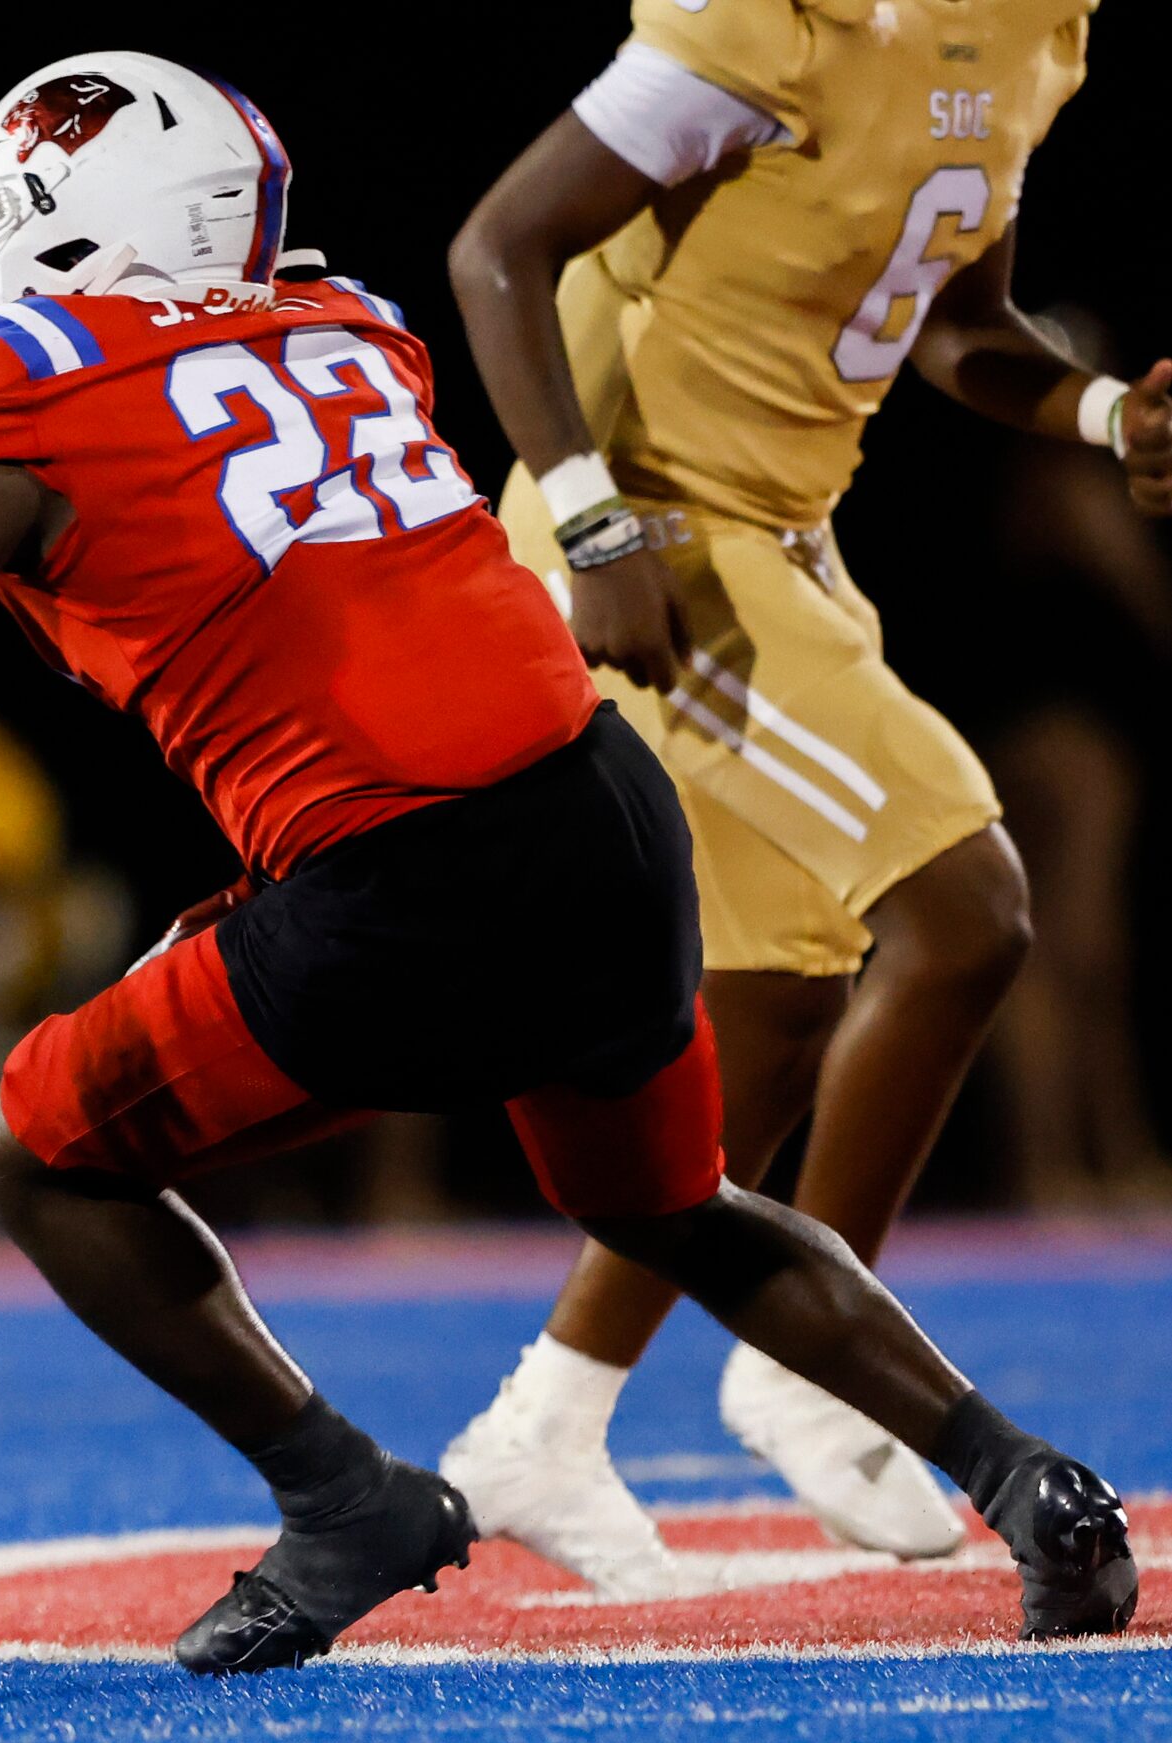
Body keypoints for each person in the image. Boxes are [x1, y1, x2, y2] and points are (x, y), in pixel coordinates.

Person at [0, 51, 1140, 1671]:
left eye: (8, 219)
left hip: (403, 876)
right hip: (597, 812)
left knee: (37, 1150)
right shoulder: (343, 330)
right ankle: (1015, 1470)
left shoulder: (34, 390)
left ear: (83, 225)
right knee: (674, 1207)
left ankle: (342, 1498)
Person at [439, 0, 1169, 1592]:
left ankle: (545, 1416)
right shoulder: (767, 23)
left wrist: (1103, 414)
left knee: (772, 1007)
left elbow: (955, 326)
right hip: (655, 539)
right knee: (966, 905)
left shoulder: (1028, 38)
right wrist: (588, 521)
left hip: (781, 541)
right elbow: (497, 249)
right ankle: (812, 1366)